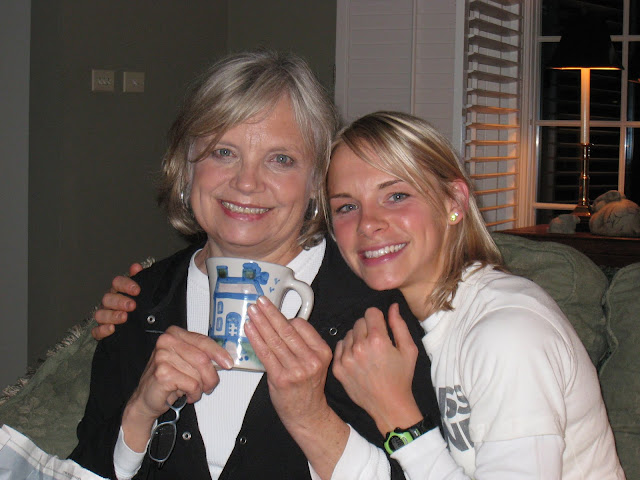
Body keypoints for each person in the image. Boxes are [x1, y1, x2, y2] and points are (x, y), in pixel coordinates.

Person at [70, 52, 442, 480]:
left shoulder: (380, 311)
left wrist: (312, 416)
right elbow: (85, 465)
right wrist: (139, 414)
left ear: (316, 181)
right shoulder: (139, 304)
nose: (246, 182)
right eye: (223, 152)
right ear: (186, 168)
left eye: (280, 159)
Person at [325, 111, 625, 478]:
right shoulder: (415, 322)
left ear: (453, 202)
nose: (367, 223)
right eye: (347, 207)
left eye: (396, 196)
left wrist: (397, 417)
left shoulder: (506, 333)